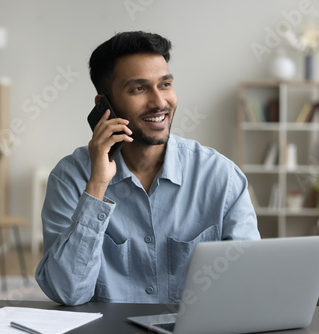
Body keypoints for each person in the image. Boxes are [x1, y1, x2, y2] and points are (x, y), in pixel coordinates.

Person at [35, 31, 260, 306]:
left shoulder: (221, 177)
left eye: (165, 84)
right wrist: (96, 188)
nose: (159, 102)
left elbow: (249, 287)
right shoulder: (70, 178)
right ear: (104, 106)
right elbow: (67, 293)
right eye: (138, 89)